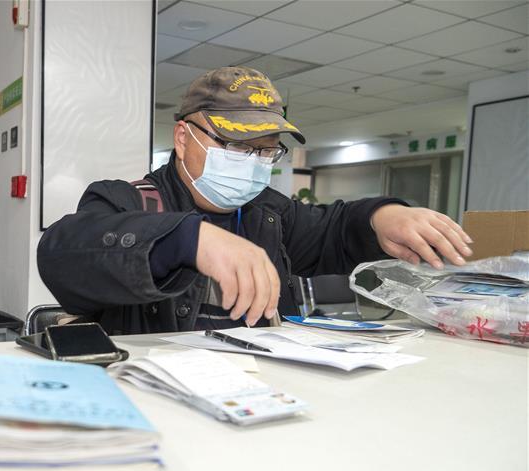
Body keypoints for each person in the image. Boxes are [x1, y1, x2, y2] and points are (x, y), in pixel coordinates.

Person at [37, 66, 473, 335]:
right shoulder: (125, 200)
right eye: (236, 146)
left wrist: (381, 217)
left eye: (265, 151)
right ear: (183, 138)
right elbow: (63, 253)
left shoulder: (269, 213)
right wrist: (187, 239)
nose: (252, 163)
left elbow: (333, 229)